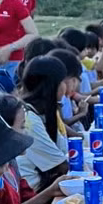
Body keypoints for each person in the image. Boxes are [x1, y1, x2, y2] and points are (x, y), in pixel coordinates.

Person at [16, 56, 70, 192]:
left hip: (44, 185)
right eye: (63, 81)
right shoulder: (28, 119)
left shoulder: (42, 112)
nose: (66, 86)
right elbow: (62, 166)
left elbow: (64, 150)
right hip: (32, 193)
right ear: (51, 85)